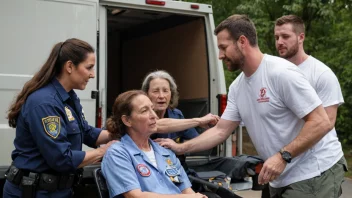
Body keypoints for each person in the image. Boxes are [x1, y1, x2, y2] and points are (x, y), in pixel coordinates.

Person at [155, 14, 346, 198]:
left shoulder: (281, 73)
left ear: (242, 42)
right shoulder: (237, 87)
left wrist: (282, 156)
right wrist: (181, 148)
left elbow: (321, 122)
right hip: (281, 175)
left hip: (315, 171)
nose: (220, 55)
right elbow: (221, 131)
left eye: (223, 47)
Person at [3, 38, 116, 198]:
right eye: (89, 67)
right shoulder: (45, 102)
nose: (92, 74)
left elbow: (87, 133)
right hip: (34, 192)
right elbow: (62, 159)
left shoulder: (69, 97)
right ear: (69, 66)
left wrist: (120, 133)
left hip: (58, 191)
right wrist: (103, 151)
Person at [273, 15, 347, 197]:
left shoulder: (321, 74)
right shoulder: (274, 72)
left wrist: (284, 155)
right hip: (284, 169)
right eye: (276, 38)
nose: (279, 42)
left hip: (319, 166)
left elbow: (326, 123)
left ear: (301, 37)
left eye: (285, 36)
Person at [142, 70, 261, 182]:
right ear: (146, 94)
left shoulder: (176, 114)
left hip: (176, 170)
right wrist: (199, 121)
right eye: (156, 91)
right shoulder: (142, 115)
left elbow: (196, 140)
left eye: (165, 91)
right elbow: (158, 124)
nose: (161, 96)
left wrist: (213, 129)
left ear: (171, 94)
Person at [101, 90, 207, 198]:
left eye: (152, 108)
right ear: (127, 121)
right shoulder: (117, 153)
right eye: (144, 111)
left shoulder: (165, 152)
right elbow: (135, 196)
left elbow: (186, 191)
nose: (154, 116)